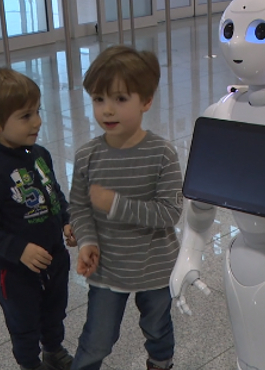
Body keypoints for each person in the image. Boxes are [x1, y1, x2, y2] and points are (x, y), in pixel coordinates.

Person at [67, 45, 183, 370]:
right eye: (98, 99)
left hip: (155, 267)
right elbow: (78, 206)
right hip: (107, 267)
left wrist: (116, 204)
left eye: (120, 99)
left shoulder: (162, 154)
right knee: (97, 337)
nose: (107, 110)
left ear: (146, 101)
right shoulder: (87, 156)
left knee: (157, 327)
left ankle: (160, 362)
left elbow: (169, 213)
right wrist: (87, 240)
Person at [0, 67, 76, 370]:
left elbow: (53, 194)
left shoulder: (40, 154)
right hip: (15, 273)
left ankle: (53, 349)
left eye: (37, 111)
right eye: (26, 116)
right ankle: (30, 364)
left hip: (54, 258)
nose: (38, 121)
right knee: (24, 324)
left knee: (55, 313)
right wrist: (19, 250)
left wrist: (66, 219)